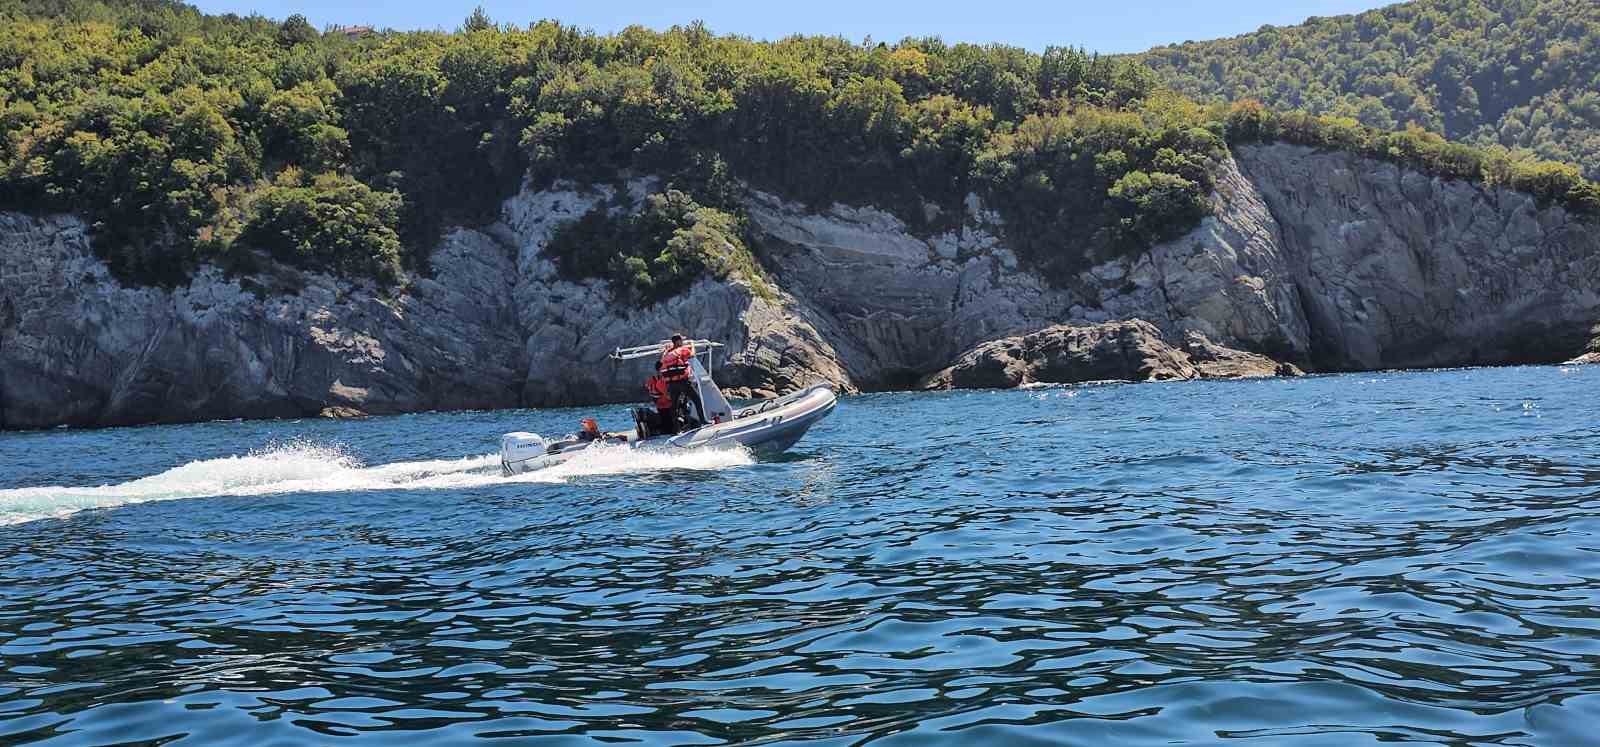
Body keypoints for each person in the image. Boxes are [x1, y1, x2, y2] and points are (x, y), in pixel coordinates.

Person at [659, 333, 704, 430]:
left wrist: (667, 349)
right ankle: (703, 421)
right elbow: (692, 355)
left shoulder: (667, 353)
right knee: (697, 400)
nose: (683, 342)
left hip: (671, 384)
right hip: (683, 382)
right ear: (678, 341)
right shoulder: (682, 349)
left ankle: (676, 429)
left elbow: (662, 361)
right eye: (681, 340)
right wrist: (692, 345)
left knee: (674, 406)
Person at [644, 362, 675, 434]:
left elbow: (647, 387)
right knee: (669, 422)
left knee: (665, 421)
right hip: (668, 405)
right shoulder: (662, 381)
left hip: (660, 405)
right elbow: (668, 395)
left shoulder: (653, 379)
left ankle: (664, 431)